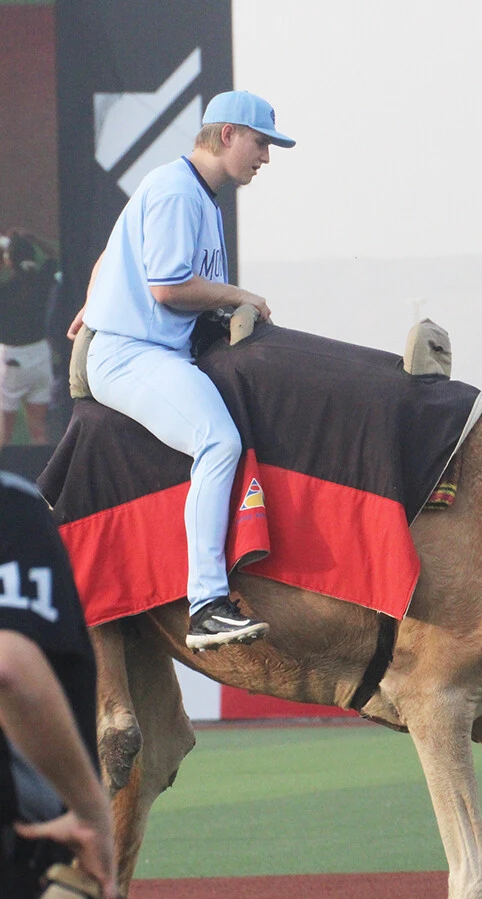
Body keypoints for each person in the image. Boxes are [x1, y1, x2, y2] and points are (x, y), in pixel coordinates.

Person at [68, 90, 295, 651]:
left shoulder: (191, 192)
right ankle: (206, 605)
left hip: (145, 348)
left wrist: (96, 296)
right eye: (260, 142)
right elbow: (167, 287)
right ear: (226, 136)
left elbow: (115, 248)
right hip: (130, 353)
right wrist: (240, 294)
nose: (265, 157)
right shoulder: (177, 190)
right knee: (217, 441)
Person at [0, 471, 118, 899]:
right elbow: (10, 666)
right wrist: (90, 813)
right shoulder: (10, 505)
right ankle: (207, 595)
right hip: (20, 843)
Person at [0, 230, 59, 449]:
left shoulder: (5, 289)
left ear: (9, 260)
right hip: (40, 357)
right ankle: (41, 481)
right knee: (39, 432)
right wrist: (34, 238)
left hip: (11, 361)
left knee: (5, 436)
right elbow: (52, 255)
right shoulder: (42, 279)